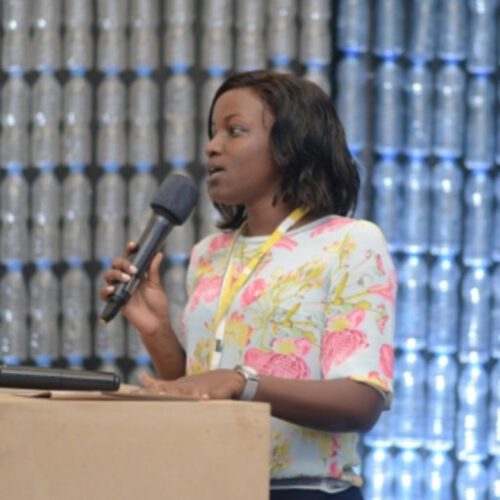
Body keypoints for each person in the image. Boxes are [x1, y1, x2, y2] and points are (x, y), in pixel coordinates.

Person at [101, 70, 396, 499]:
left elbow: (362, 401)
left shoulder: (350, 243)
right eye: (213, 132)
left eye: (234, 131)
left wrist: (244, 381)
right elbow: (200, 388)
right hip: (209, 483)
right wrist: (155, 329)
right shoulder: (210, 253)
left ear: (290, 146)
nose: (212, 145)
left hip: (306, 490)